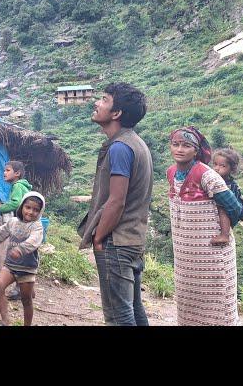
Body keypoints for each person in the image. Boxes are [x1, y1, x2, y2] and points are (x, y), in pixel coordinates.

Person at [77, 82, 153, 326]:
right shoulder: (135, 143)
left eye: (104, 99)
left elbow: (116, 201)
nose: (96, 103)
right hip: (133, 238)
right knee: (134, 310)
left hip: (116, 241)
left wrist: (99, 238)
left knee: (118, 316)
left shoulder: (120, 147)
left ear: (116, 113)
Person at [167, 127, 243, 325]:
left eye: (186, 145)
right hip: (186, 258)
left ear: (196, 150)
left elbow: (233, 206)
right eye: (176, 144)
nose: (180, 149)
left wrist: (222, 231)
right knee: (189, 305)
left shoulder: (206, 174)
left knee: (217, 308)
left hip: (212, 256)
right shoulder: (171, 173)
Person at [0, 192, 45, 326]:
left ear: (40, 212)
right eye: (28, 207)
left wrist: (20, 249)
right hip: (10, 265)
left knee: (26, 300)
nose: (31, 212)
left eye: (36, 210)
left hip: (27, 269)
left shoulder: (37, 226)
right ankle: (5, 320)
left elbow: (34, 241)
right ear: (21, 207)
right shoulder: (13, 222)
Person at [0, 160, 32, 300]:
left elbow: (16, 203)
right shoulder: (22, 186)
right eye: (4, 170)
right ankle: (26, 289)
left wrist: (2, 208)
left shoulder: (17, 185)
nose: (4, 173)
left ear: (17, 173)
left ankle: (20, 289)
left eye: (7, 170)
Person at [212, 148, 243, 224]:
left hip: (225, 220)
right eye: (215, 164)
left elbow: (239, 200)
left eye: (222, 166)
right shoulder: (209, 181)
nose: (217, 168)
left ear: (232, 169)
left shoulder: (232, 185)